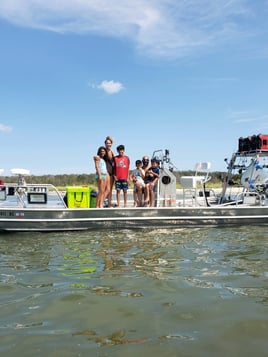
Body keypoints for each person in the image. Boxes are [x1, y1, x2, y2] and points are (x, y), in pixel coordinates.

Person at [104, 136, 115, 207]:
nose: (108, 144)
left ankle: (109, 204)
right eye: (107, 143)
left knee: (110, 189)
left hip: (112, 172)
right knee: (105, 189)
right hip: (105, 172)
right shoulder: (103, 151)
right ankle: (100, 202)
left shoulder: (112, 152)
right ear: (105, 144)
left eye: (110, 143)